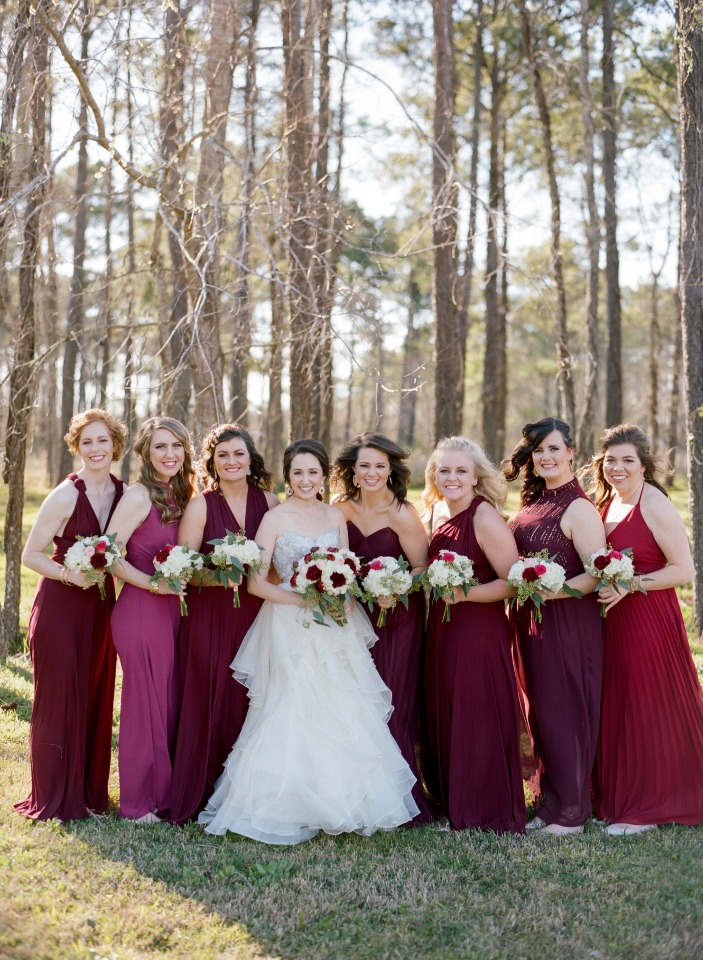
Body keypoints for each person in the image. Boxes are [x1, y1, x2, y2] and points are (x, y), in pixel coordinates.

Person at [198, 439, 419, 844]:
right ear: (288, 477)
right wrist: (301, 599)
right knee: (292, 704)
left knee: (340, 706)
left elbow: (347, 570)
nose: (305, 480)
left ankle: (342, 801)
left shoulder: (335, 514)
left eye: (312, 472)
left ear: (324, 476)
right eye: (297, 473)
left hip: (334, 622)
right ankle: (284, 803)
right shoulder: (275, 518)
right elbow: (256, 582)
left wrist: (344, 600)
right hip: (287, 621)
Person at [585, 424, 703, 835]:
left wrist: (629, 584)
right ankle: (622, 794)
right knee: (619, 704)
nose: (617, 468)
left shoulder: (653, 503)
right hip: (612, 620)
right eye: (610, 460)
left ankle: (650, 807)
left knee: (646, 703)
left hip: (648, 617)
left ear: (643, 465)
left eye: (627, 461)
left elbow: (683, 570)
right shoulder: (606, 501)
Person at [15, 409, 126, 821]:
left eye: (103, 440)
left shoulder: (123, 492)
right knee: (59, 699)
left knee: (94, 695)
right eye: (87, 442)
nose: (95, 449)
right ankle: (54, 797)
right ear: (76, 447)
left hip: (100, 609)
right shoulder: (64, 495)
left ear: (115, 445)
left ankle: (87, 793)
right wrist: (68, 575)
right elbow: (30, 555)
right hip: (61, 607)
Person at [170, 424, 279, 825]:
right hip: (210, 616)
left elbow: (279, 559)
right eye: (223, 456)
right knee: (209, 694)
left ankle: (247, 794)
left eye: (238, 454)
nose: (231, 462)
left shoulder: (268, 501)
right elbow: (181, 568)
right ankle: (201, 791)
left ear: (250, 458)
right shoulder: (201, 505)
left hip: (258, 613)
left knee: (250, 697)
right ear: (211, 463)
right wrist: (218, 576)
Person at [504, 417, 605, 835]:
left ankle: (572, 811)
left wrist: (552, 591)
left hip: (566, 623)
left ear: (570, 453)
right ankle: (549, 802)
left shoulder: (578, 507)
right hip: (531, 623)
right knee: (541, 711)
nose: (546, 457)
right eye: (538, 450)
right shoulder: (533, 502)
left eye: (553, 449)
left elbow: (597, 573)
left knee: (565, 712)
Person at [421, 437, 525, 833]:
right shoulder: (433, 514)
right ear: (433, 475)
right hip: (443, 630)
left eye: (461, 470)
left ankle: (483, 807)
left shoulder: (484, 518)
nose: (452, 477)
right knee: (446, 710)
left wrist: (465, 595)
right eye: (444, 470)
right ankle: (453, 799)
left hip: (479, 631)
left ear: (476, 475)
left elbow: (514, 583)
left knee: (476, 714)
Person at [332, 432, 435, 823]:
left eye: (379, 465)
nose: (372, 472)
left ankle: (398, 799)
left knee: (392, 702)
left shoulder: (402, 513)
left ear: (390, 470)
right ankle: (357, 793)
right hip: (351, 616)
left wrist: (396, 588)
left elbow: (422, 567)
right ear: (353, 472)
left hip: (397, 617)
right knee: (354, 701)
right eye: (364, 466)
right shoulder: (339, 508)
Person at [106, 417, 196, 823]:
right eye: (160, 447)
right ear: (145, 453)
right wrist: (152, 585)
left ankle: (165, 794)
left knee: (166, 702)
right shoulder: (139, 495)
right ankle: (139, 803)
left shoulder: (181, 493)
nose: (170, 454)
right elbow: (108, 554)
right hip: (141, 610)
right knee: (144, 705)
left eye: (176, 446)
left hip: (170, 614)